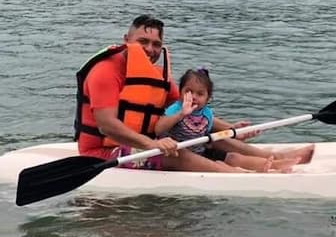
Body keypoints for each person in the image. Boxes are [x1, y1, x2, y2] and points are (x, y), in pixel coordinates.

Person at [75, 15, 254, 172]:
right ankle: (231, 174)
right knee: (174, 153)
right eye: (143, 41)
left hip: (144, 143)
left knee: (204, 133)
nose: (150, 49)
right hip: (102, 154)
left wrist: (230, 129)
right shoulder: (105, 71)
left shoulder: (157, 75)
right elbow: (107, 125)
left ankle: (271, 159)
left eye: (156, 44)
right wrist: (152, 144)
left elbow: (188, 108)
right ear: (126, 40)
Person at [155, 67, 304, 173]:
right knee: (221, 163)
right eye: (188, 91)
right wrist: (181, 114)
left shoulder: (206, 114)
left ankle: (272, 165)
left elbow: (215, 133)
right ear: (180, 92)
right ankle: (242, 174)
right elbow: (158, 128)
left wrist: (233, 131)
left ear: (208, 98)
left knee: (234, 157)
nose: (193, 96)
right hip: (180, 157)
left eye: (200, 94)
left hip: (201, 151)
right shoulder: (176, 109)